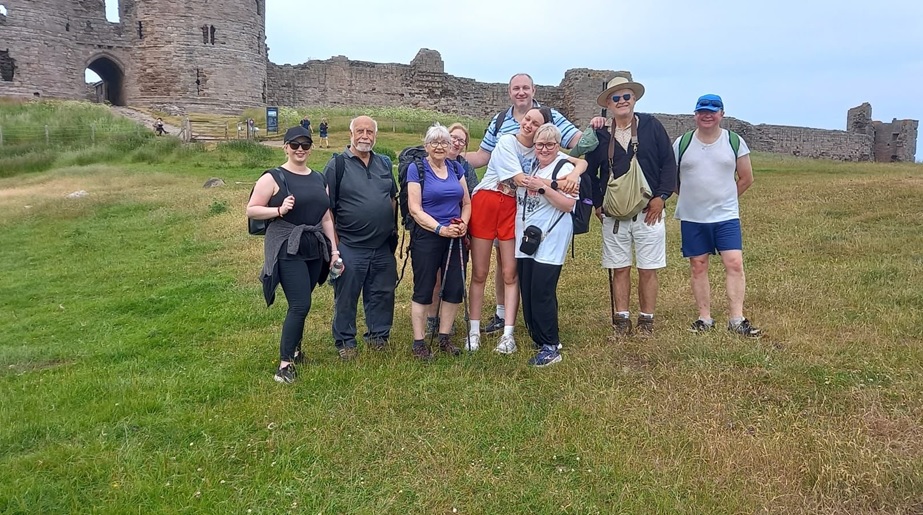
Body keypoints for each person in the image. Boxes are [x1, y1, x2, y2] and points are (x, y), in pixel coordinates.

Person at [464, 73, 598, 339]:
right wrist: (449, 154)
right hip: (500, 199)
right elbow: (484, 156)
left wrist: (577, 166)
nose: (521, 92)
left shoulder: (549, 127)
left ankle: (511, 323)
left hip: (520, 205)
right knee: (490, 268)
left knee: (509, 264)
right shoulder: (502, 126)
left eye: (526, 87)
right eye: (516, 88)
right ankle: (499, 316)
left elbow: (577, 146)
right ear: (509, 92)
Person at [585, 77, 677, 337]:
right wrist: (598, 203)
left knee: (648, 268)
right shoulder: (601, 134)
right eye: (616, 98)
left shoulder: (651, 126)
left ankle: (646, 320)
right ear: (609, 104)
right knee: (620, 267)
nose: (622, 101)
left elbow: (668, 163)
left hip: (649, 211)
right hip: (614, 215)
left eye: (626, 96)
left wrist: (661, 196)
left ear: (634, 99)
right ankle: (621, 320)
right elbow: (591, 171)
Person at [246, 126, 338, 383]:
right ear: (285, 147)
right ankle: (284, 365)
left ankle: (296, 351)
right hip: (287, 246)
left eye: (305, 145)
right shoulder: (273, 177)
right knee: (300, 305)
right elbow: (252, 210)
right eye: (294, 145)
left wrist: (333, 249)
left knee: (302, 301)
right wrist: (278, 211)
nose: (300, 150)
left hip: (312, 246)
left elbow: (326, 217)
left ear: (310, 148)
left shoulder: (319, 178)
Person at [467, 107, 554, 354]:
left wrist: (577, 169)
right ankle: (473, 332)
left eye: (535, 123)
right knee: (480, 272)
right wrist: (552, 183)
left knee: (510, 273)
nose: (528, 124)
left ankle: (508, 334)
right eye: (527, 119)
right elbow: (518, 179)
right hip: (488, 201)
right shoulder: (506, 141)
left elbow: (570, 159)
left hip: (512, 208)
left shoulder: (538, 151)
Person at [673, 94, 761, 337]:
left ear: (721, 114)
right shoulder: (682, 143)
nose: (707, 115)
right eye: (702, 111)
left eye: (712, 111)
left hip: (726, 217)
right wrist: (691, 198)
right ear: (695, 115)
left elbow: (746, 177)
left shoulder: (734, 142)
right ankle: (704, 318)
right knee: (698, 266)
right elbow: (672, 179)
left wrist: (726, 199)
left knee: (734, 263)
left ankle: (736, 319)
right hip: (693, 217)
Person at [323, 115, 398, 360]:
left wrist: (392, 229)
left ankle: (378, 336)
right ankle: (345, 340)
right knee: (347, 295)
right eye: (360, 131)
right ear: (351, 134)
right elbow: (328, 209)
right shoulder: (337, 165)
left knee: (382, 293)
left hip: (382, 245)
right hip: (351, 245)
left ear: (375, 135)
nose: (365, 136)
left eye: (370, 132)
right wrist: (335, 246)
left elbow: (392, 198)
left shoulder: (385, 163)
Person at [406, 124, 472, 360]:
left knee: (454, 287)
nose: (440, 146)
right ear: (426, 146)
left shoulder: (455, 168)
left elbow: (466, 202)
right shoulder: (417, 169)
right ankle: (419, 342)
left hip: (455, 235)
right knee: (423, 288)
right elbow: (415, 209)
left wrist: (463, 224)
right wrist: (439, 229)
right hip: (428, 235)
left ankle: (444, 337)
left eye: (444, 142)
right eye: (434, 142)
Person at [516, 123, 577, 367]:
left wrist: (542, 187)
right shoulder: (531, 164)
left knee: (542, 290)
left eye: (550, 144)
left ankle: (551, 346)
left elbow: (568, 204)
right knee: (528, 288)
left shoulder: (565, 167)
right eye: (540, 144)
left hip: (551, 235)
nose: (544, 149)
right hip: (529, 235)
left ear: (558, 145)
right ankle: (540, 336)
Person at [424, 122, 480, 337]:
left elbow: (472, 198)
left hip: (458, 229)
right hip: (434, 229)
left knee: (454, 275)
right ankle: (432, 318)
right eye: (453, 138)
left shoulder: (465, 168)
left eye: (461, 140)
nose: (457, 143)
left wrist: (465, 226)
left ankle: (447, 320)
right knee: (435, 278)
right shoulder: (428, 165)